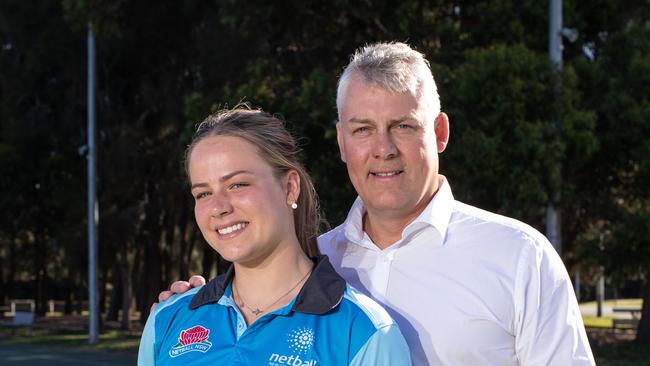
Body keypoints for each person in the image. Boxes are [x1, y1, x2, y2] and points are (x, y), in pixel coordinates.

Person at [160, 42, 595, 365]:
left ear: (440, 132)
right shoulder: (316, 261)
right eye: (363, 129)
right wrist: (199, 308)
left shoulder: (519, 256)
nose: (382, 149)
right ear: (341, 142)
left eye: (403, 126)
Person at [139, 107, 411, 365]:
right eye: (203, 193)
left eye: (237, 184)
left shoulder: (365, 332)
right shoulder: (168, 318)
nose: (219, 207)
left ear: (290, 187)